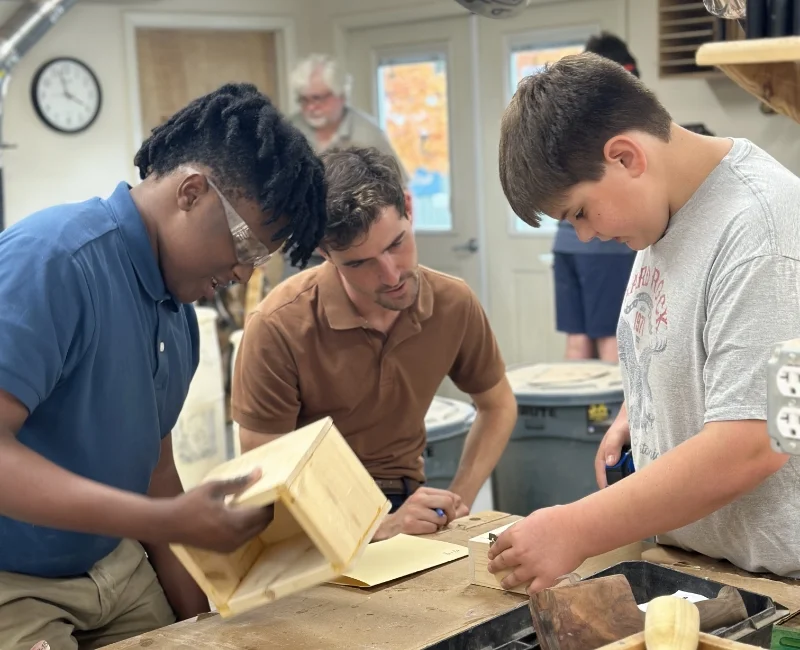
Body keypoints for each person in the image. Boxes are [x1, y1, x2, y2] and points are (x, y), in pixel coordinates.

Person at [0, 82, 327, 649]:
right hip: (14, 579)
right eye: (246, 246)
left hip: (112, 566)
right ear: (192, 192)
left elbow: (155, 475)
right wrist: (167, 521)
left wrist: (202, 621)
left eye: (260, 260)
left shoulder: (175, 314)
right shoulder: (53, 261)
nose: (246, 273)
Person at [486, 53, 800, 593]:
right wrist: (645, 408)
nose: (583, 236)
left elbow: (764, 438)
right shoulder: (665, 214)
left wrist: (578, 526)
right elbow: (692, 336)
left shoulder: (766, 237)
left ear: (626, 157)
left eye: (580, 212)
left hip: (775, 591)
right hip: (694, 565)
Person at [231, 145, 517, 540]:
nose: (390, 275)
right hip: (305, 518)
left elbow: (498, 404)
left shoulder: (454, 303)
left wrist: (457, 503)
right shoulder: (277, 326)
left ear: (409, 207)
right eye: (358, 263)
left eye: (396, 244)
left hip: (404, 496)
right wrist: (376, 529)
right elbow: (264, 472)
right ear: (322, 252)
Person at [551, 32, 638, 363]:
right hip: (604, 243)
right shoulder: (621, 118)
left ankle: (578, 415)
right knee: (609, 339)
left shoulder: (562, 117)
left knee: (577, 339)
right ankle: (612, 418)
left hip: (565, 244)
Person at [284, 53, 409, 274]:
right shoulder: (287, 131)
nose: (311, 106)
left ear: (341, 95)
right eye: (304, 99)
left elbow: (399, 193)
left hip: (358, 250)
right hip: (301, 252)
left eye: (319, 98)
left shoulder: (368, 135)